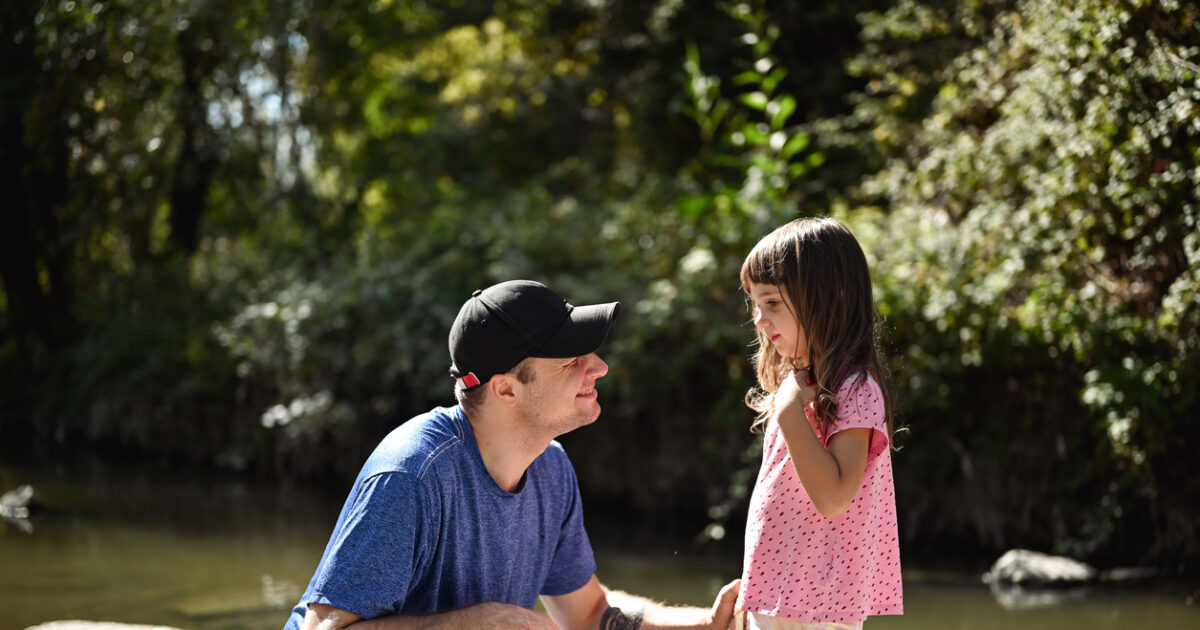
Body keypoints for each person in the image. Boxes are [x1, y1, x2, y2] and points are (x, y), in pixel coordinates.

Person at [284, 279, 740, 630]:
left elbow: (589, 615)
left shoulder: (552, 467)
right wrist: (478, 622)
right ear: (505, 388)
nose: (598, 367)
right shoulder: (411, 475)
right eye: (570, 361)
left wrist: (706, 622)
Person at [733, 218, 903, 630]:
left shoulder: (854, 388)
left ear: (828, 298)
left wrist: (790, 412)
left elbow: (833, 498)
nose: (759, 319)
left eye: (772, 303)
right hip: (782, 596)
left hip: (817, 606)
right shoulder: (802, 383)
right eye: (755, 304)